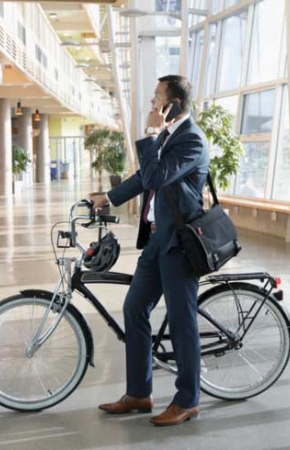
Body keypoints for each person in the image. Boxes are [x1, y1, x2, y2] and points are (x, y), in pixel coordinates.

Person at [90, 75, 209, 426]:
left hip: (179, 244)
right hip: (158, 240)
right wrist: (107, 197)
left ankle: (188, 399)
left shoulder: (191, 141)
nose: (152, 103)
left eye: (157, 97)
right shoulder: (171, 138)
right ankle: (140, 393)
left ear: (173, 104)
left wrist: (152, 133)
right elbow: (146, 177)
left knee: (181, 320)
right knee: (135, 308)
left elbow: (156, 178)